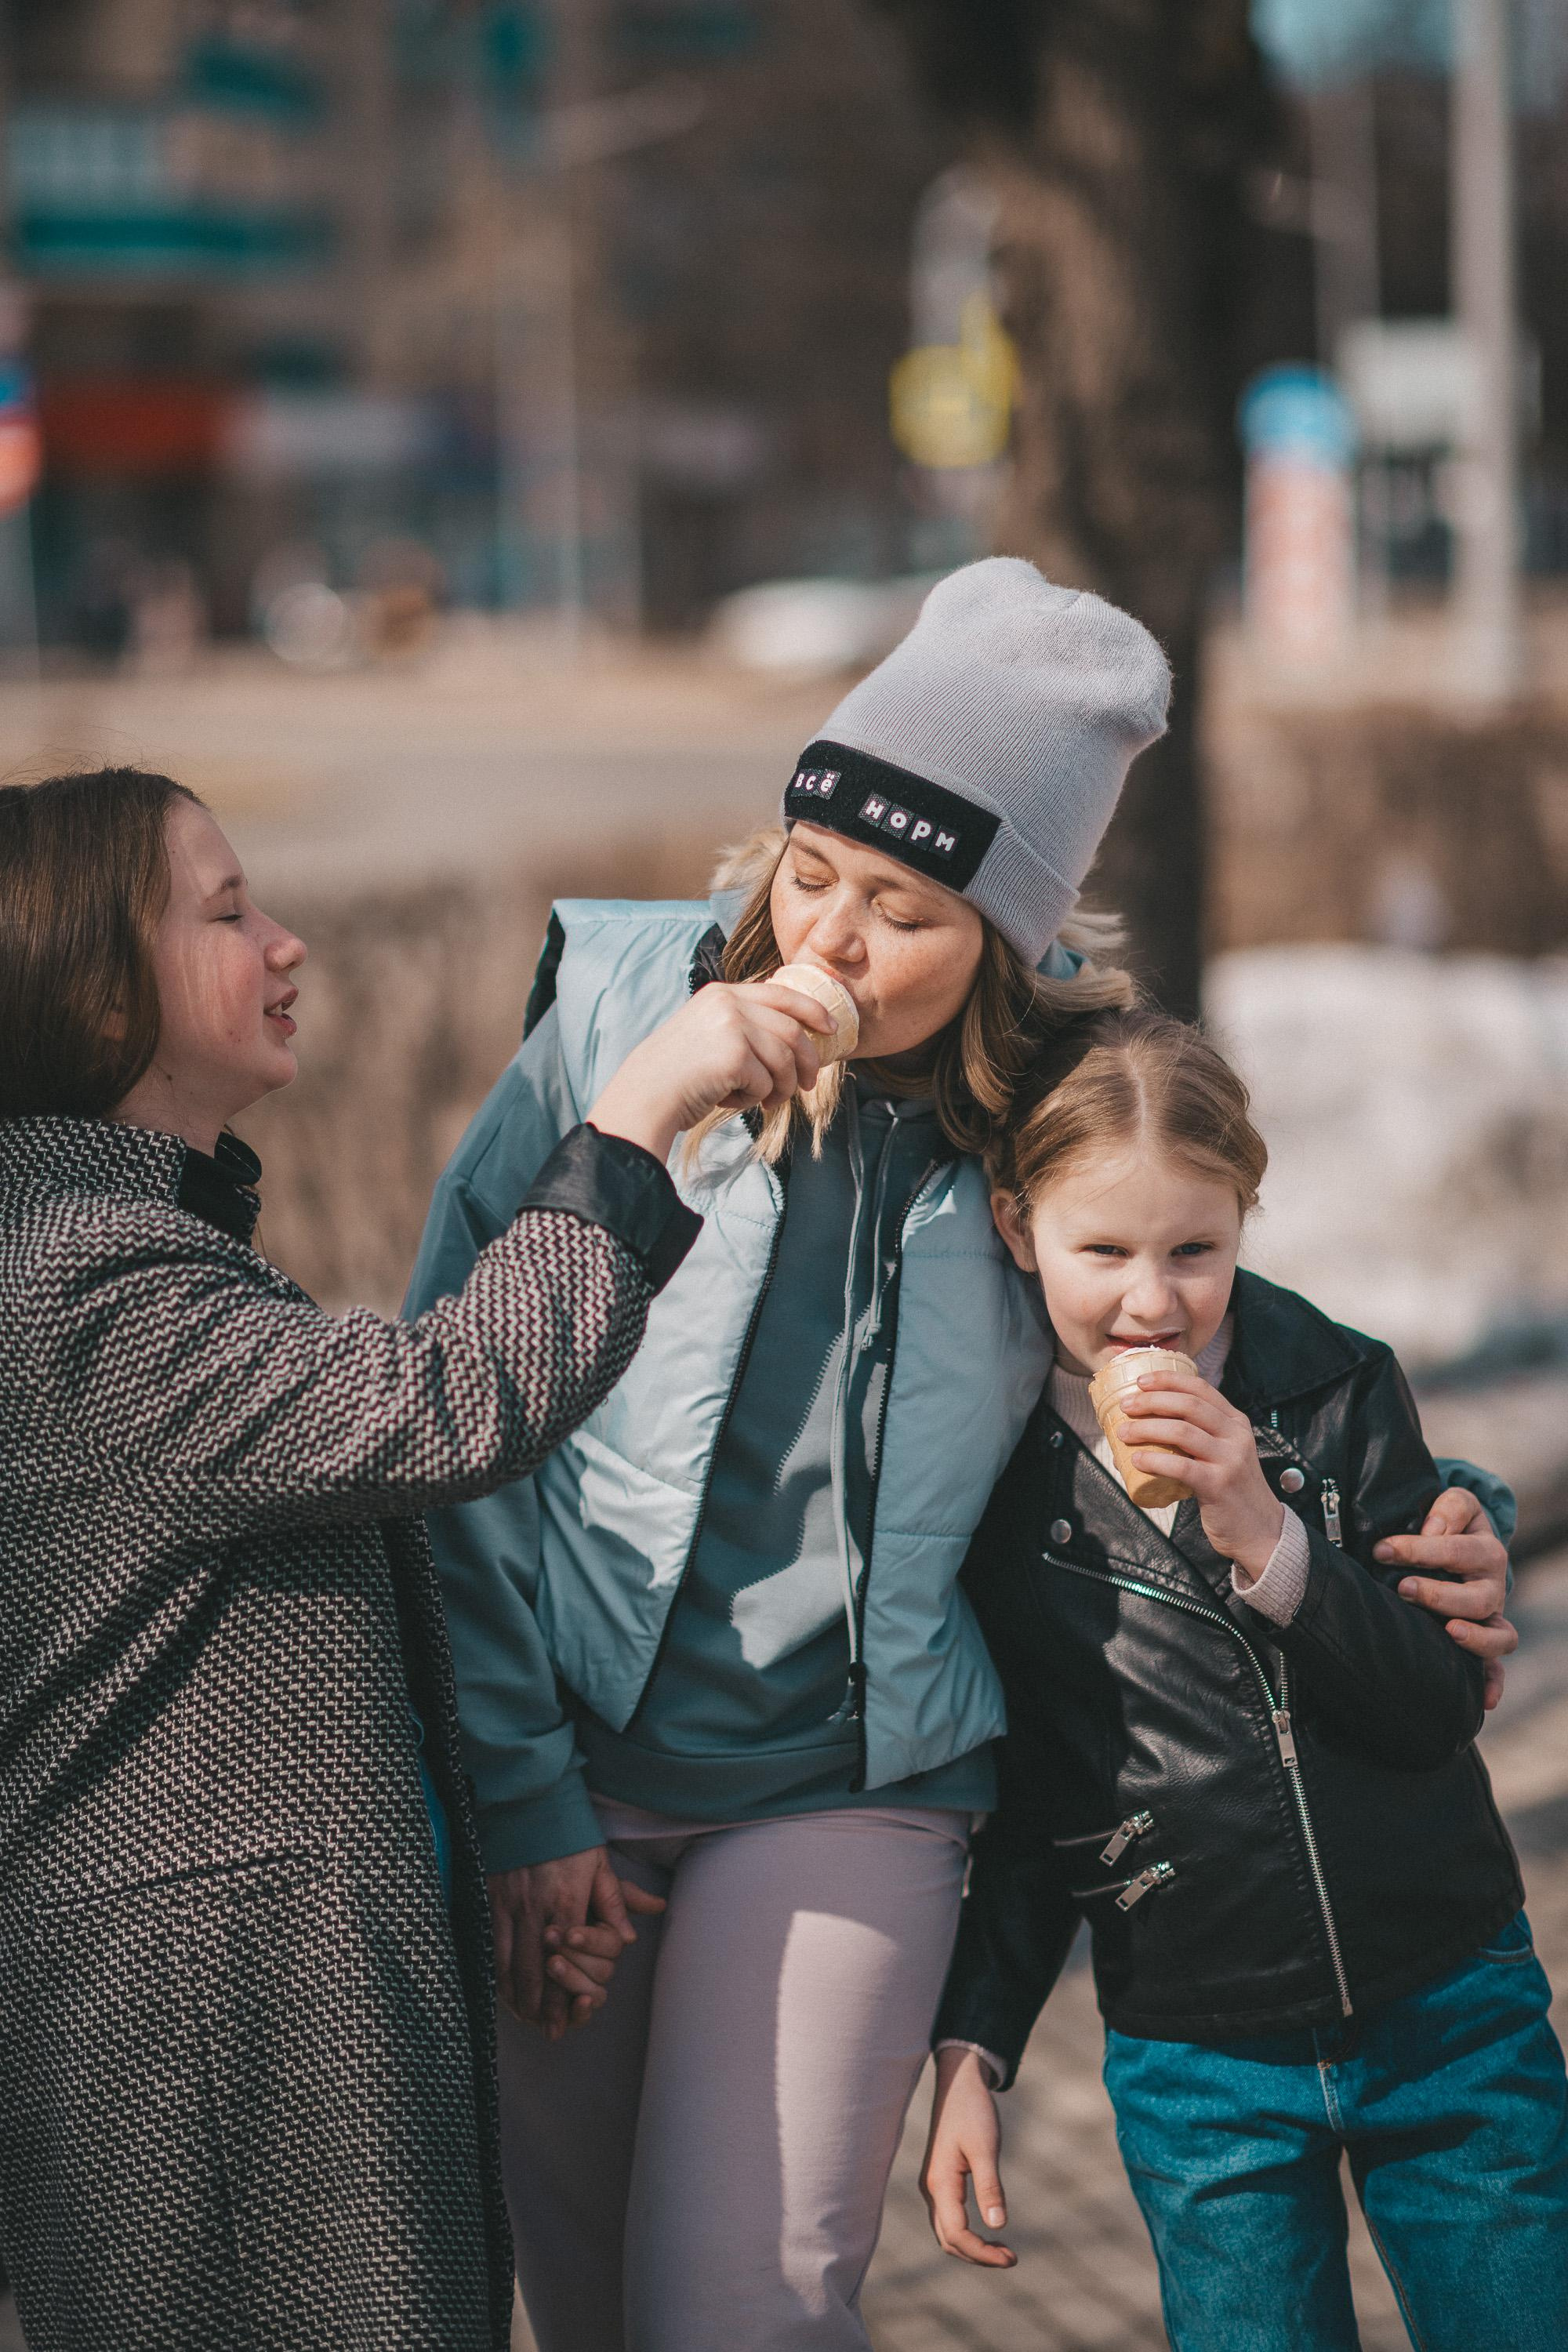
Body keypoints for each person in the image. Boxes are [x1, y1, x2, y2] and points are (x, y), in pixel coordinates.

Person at [405, 559, 1515, 2352]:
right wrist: (521, 1803)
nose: (824, 940)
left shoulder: (1048, 1115)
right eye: (811, 870)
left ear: (1005, 939)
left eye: (902, 911)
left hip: (861, 1781)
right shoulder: (622, 1025)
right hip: (571, 1770)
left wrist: (1456, 1509)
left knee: (740, 2316)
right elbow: (457, 1407)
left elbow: (1232, 1332)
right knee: (594, 2309)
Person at [0, 767, 833, 2352]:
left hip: (251, 2020)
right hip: (207, 2054)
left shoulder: (123, 1239)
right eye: (229, 912)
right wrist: (639, 1117)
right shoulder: (66, 1276)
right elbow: (444, 1407)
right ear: (93, 982)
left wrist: (495, 1837)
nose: (287, 943)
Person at [924, 1006, 1567, 2351]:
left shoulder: (1336, 1387)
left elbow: (1434, 1706)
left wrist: (1271, 1537)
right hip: (1201, 2059)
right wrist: (972, 2048)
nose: (1152, 1301)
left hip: (1448, 2008)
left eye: (1195, 1250)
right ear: (1013, 1225)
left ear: (1244, 1219)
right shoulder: (994, 1495)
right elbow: (1045, 1804)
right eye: (1101, 1251)